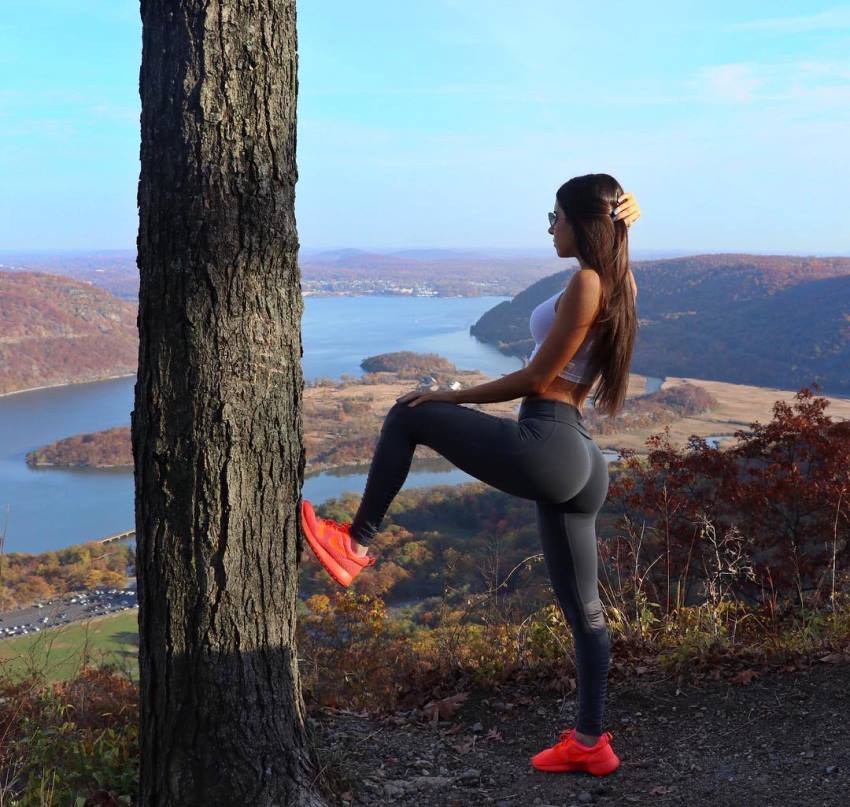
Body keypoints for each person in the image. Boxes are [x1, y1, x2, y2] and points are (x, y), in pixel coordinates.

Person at [300, 173, 640, 777]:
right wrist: (623, 217)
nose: (549, 225)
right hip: (582, 461)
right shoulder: (617, 282)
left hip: (550, 440)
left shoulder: (590, 281)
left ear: (582, 224)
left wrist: (449, 398)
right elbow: (612, 241)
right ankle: (591, 742)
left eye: (557, 215)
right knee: (584, 608)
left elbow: (535, 380)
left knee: (409, 414)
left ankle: (354, 543)